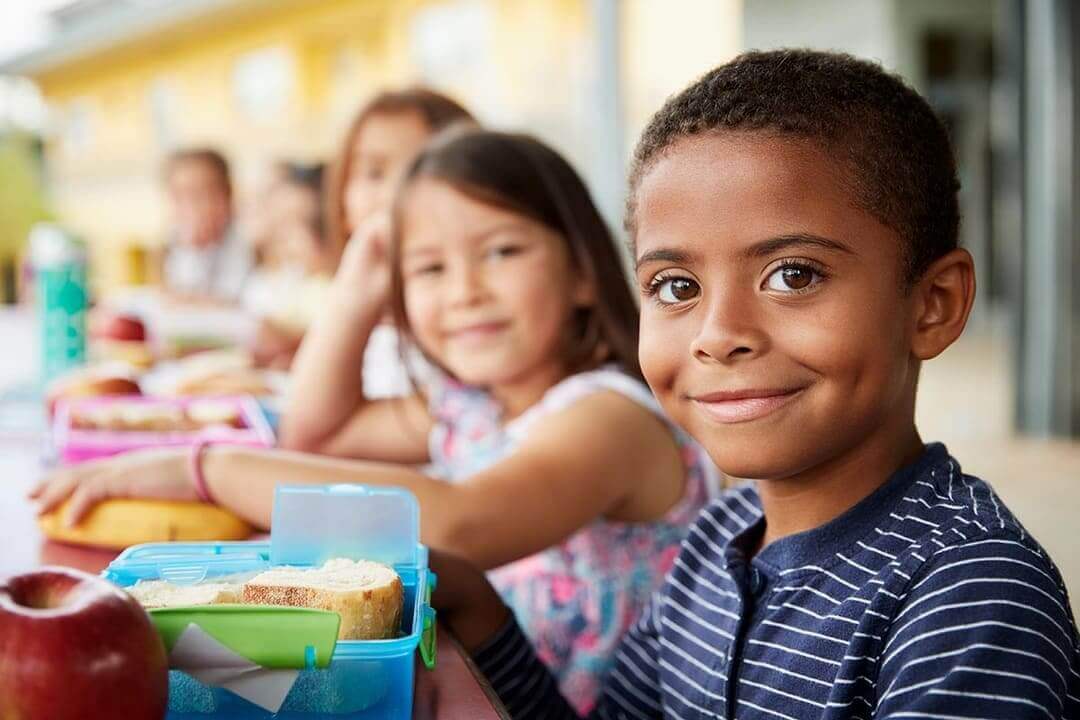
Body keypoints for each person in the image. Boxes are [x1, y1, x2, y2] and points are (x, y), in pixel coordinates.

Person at [429, 50, 1080, 719]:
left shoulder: (968, 590)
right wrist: (479, 610)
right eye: (677, 287)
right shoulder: (716, 540)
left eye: (793, 274)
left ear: (933, 304)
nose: (718, 333)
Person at [32, 129, 718, 713]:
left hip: (538, 701)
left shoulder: (611, 416)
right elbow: (315, 433)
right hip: (459, 676)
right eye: (428, 268)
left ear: (582, 271)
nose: (463, 291)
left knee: (236, 677)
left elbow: (458, 524)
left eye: (501, 252)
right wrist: (360, 286)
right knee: (200, 667)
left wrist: (203, 468)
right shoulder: (471, 407)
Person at [317, 87, 475, 399]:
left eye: (421, 168)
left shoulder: (465, 318)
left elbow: (310, 433)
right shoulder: (365, 323)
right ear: (342, 202)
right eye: (374, 173)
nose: (394, 196)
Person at [244, 162, 335, 369]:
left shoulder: (339, 289)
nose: (283, 238)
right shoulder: (300, 281)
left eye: (296, 224)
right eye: (282, 224)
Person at [160, 148, 252, 303]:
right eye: (179, 195)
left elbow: (233, 299)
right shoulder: (176, 238)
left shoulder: (248, 236)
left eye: (199, 193)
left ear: (227, 194)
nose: (190, 205)